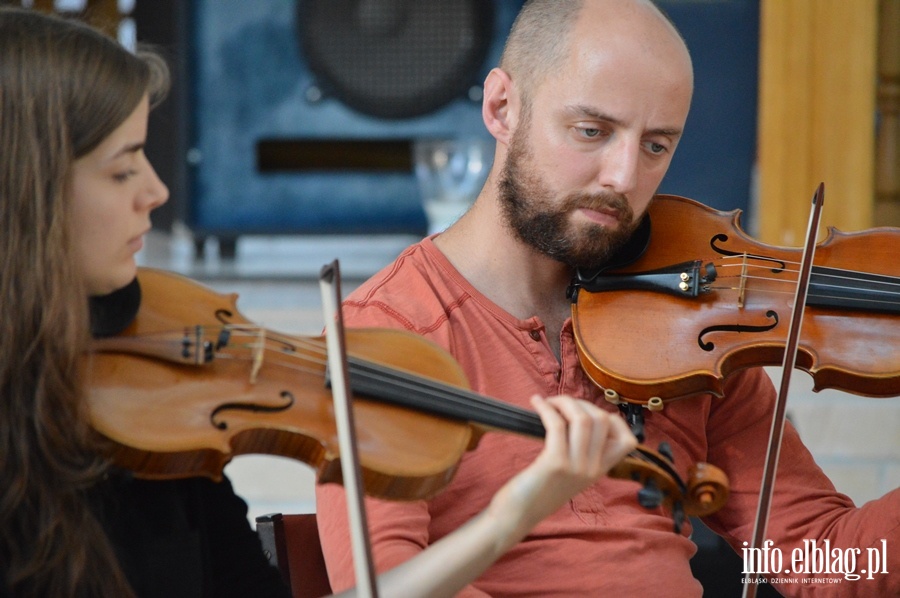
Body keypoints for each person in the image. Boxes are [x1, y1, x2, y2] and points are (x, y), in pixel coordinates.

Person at [0, 7, 637, 597]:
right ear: (26, 192)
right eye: (122, 168)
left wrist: (512, 517)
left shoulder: (162, 402)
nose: (158, 191)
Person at [315, 0, 900, 596]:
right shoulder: (390, 333)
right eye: (592, 131)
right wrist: (510, 518)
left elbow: (827, 566)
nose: (624, 177)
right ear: (502, 107)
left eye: (656, 145)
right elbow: (380, 588)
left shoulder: (694, 328)